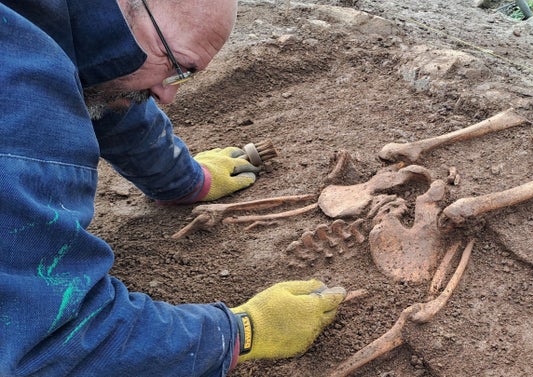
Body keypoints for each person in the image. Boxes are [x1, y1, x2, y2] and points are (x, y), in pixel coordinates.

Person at [0, 0, 346, 375]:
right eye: (176, 66)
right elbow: (48, 341)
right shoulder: (20, 119)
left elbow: (106, 80)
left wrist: (186, 179)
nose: (169, 96)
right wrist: (239, 333)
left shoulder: (58, 19)